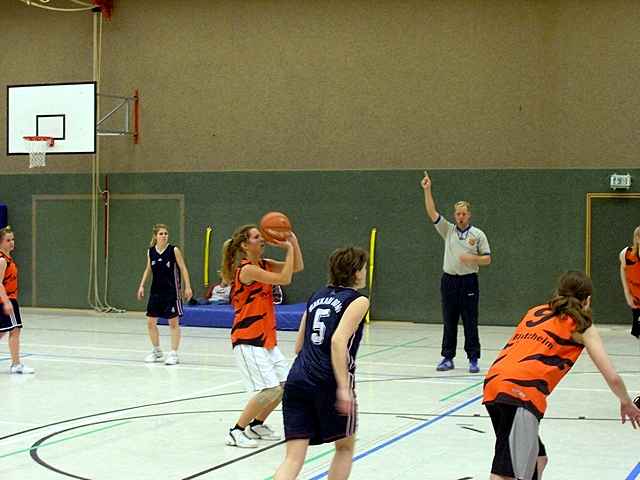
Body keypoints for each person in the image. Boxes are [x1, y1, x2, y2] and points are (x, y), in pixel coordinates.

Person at [483, 271, 640, 480]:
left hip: (494, 385)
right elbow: (612, 377)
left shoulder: (535, 311)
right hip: (521, 392)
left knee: (538, 459)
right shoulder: (581, 324)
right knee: (507, 475)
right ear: (588, 301)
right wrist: (626, 402)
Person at [274, 247, 369, 480]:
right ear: (356, 272)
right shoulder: (358, 301)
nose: (366, 272)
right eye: (364, 268)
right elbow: (338, 341)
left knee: (293, 457)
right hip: (327, 382)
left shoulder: (317, 295)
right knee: (344, 447)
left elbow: (298, 346)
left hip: (297, 379)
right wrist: (344, 388)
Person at [222, 224, 303, 448]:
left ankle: (257, 424)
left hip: (266, 338)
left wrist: (293, 241)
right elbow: (285, 279)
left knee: (286, 385)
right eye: (257, 237)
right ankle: (235, 431)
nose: (262, 239)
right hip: (248, 338)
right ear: (245, 245)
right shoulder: (247, 270)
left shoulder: (264, 264)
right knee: (270, 389)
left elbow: (296, 267)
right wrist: (287, 249)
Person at [420, 171, 491, 373]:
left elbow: (487, 258)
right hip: (449, 281)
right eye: (458, 214)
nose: (461, 217)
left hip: (469, 282)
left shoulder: (478, 235)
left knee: (470, 321)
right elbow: (432, 212)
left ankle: (473, 358)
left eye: (464, 213)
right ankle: (447, 357)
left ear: (469, 215)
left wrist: (472, 259)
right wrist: (427, 189)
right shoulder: (447, 230)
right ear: (454, 216)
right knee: (449, 320)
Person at [137, 224, 193, 365]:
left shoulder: (174, 250)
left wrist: (188, 286)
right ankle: (157, 351)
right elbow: (148, 269)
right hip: (156, 292)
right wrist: (142, 285)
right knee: (150, 323)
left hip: (172, 292)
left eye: (166, 233)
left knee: (173, 323)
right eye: (161, 233)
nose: (164, 236)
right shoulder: (151, 252)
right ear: (155, 236)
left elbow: (183, 268)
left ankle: (174, 353)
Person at [0, 226, 34, 374]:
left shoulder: (8, 259)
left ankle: (16, 364)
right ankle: (16, 364)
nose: (11, 242)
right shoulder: (2, 260)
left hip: (7, 298)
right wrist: (6, 301)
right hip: (7, 299)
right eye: (8, 240)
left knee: (2, 332)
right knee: (15, 330)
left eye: (13, 239)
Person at [619, 226, 640, 338]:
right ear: (637, 239)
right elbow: (623, 269)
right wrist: (627, 294)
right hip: (636, 296)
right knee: (636, 331)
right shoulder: (626, 254)